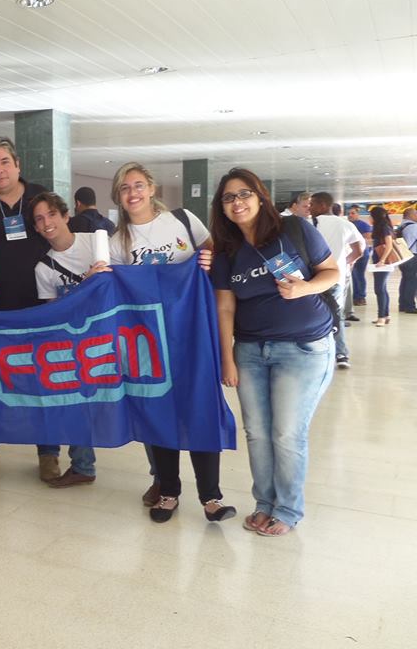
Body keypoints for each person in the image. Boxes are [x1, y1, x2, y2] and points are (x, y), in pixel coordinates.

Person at [210, 167, 339, 537]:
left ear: (260, 196)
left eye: (244, 194)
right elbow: (225, 307)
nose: (237, 202)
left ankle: (288, 509)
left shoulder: (293, 229)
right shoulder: (227, 250)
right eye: (229, 197)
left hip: (304, 347)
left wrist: (304, 288)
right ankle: (264, 503)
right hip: (251, 350)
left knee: (286, 433)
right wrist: (227, 358)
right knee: (256, 432)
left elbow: (331, 271)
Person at [108, 162, 235, 523]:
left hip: (193, 331)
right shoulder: (118, 242)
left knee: (201, 405)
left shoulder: (181, 220)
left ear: (151, 188)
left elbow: (215, 253)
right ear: (118, 197)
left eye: (138, 185)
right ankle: (168, 492)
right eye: (124, 188)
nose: (132, 193)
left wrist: (209, 259)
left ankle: (211, 497)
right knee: (158, 410)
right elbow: (114, 292)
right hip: (148, 339)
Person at [0, 137, 60, 481]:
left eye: (4, 162)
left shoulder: (40, 197)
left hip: (41, 306)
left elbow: (63, 239)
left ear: (17, 165)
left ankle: (48, 452)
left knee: (43, 379)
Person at [31, 192, 112, 489]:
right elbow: (53, 313)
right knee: (77, 403)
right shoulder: (44, 268)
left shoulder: (97, 242)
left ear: (66, 216)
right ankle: (82, 466)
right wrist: (86, 285)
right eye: (39, 219)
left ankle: (163, 481)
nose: (47, 223)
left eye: (52, 214)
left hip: (111, 333)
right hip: (76, 343)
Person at [309, 192, 364, 369]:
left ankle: (315, 352)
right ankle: (341, 354)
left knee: (311, 314)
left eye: (312, 204)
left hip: (314, 278)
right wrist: (344, 262)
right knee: (337, 315)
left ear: (323, 205)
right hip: (336, 277)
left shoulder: (310, 224)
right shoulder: (346, 224)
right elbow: (359, 250)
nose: (310, 208)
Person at [369, 206, 395, 326]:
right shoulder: (381, 227)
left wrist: (382, 260)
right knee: (382, 288)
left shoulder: (384, 227)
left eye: (371, 216)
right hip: (379, 261)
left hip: (382, 262)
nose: (369, 218)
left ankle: (381, 317)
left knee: (379, 289)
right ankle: (386, 315)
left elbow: (389, 245)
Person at [348, 205, 372, 305]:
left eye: (353, 213)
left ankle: (360, 297)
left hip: (361, 253)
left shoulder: (363, 225)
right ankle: (357, 296)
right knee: (355, 275)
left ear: (358, 214)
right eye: (349, 213)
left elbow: (369, 240)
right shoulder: (348, 224)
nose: (350, 215)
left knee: (358, 275)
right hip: (352, 252)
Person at [397, 208, 417, 314]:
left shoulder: (401, 226)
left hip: (403, 256)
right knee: (411, 281)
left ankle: (402, 305)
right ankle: (410, 306)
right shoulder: (413, 227)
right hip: (412, 256)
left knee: (405, 280)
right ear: (410, 215)